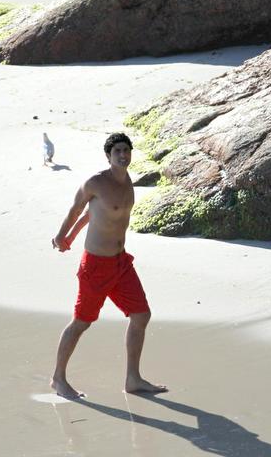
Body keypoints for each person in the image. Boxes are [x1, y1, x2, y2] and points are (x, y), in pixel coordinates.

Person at [50, 132, 167, 399]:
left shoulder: (128, 183)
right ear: (108, 156)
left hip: (121, 263)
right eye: (117, 151)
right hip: (96, 267)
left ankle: (133, 379)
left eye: (126, 150)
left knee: (141, 315)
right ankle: (58, 379)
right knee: (81, 322)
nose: (123, 155)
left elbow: (94, 214)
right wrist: (61, 237)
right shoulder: (95, 182)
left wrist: (73, 235)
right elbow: (76, 209)